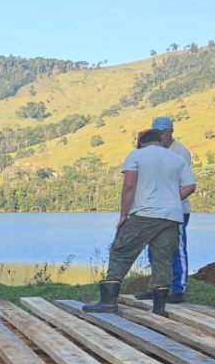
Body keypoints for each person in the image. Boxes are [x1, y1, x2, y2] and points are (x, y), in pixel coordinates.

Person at [83, 127, 196, 316]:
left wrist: (123, 215)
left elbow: (129, 185)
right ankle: (159, 307)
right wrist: (171, 200)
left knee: (121, 251)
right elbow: (190, 185)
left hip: (144, 213)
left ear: (142, 142)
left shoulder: (136, 155)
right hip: (171, 216)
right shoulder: (177, 158)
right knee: (163, 259)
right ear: (159, 141)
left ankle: (108, 301)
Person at [136, 116, 195, 303]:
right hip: (155, 209)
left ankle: (178, 290)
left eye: (162, 132)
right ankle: (157, 288)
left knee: (176, 249)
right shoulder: (154, 151)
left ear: (170, 132)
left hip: (176, 210)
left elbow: (185, 184)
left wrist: (169, 200)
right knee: (154, 250)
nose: (159, 136)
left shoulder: (180, 152)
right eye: (156, 132)